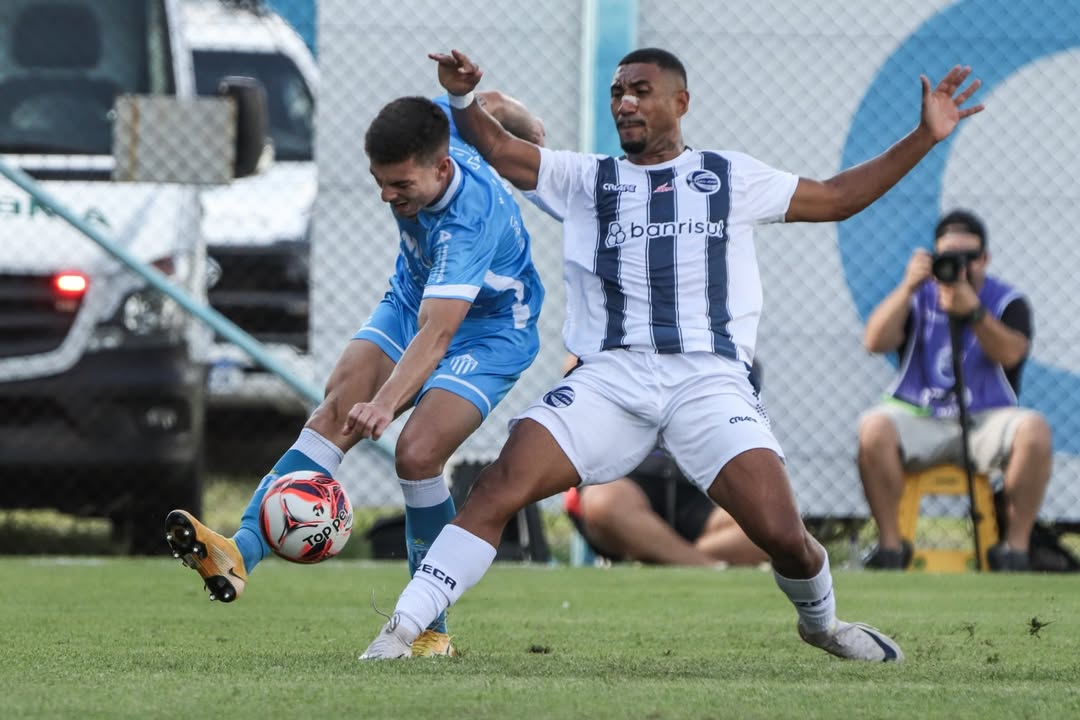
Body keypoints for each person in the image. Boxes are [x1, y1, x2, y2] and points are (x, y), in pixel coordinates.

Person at [358, 47, 983, 662]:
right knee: (497, 488)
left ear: (680, 102)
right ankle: (403, 629)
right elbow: (496, 149)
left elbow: (839, 196)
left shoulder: (729, 176)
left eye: (641, 91)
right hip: (610, 379)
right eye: (617, 92)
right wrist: (463, 97)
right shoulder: (585, 179)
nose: (625, 102)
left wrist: (925, 136)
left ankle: (822, 625)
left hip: (708, 381)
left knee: (782, 535)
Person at [164, 91, 547, 657]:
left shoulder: (469, 220)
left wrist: (387, 402)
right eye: (379, 181)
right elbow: (492, 106)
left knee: (416, 452)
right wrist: (511, 119)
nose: (387, 197)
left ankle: (429, 629)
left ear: (442, 169)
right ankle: (239, 552)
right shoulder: (438, 128)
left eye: (401, 186)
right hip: (413, 298)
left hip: (492, 331)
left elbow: (438, 334)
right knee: (334, 411)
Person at [857, 209, 1052, 572]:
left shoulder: (1008, 301)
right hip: (922, 413)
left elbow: (1011, 353)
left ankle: (1015, 551)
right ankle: (890, 548)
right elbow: (874, 341)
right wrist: (907, 287)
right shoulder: (917, 296)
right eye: (949, 257)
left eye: (970, 258)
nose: (960, 266)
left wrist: (974, 312)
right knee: (873, 427)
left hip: (986, 416)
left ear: (985, 259)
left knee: (1035, 429)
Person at [565, 448, 769, 567]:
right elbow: (572, 374)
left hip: (688, 483)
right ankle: (704, 565)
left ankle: (665, 556)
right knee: (605, 503)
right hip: (622, 476)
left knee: (766, 524)